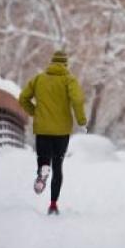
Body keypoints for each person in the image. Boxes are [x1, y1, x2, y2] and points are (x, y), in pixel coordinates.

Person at [18, 50, 87, 215]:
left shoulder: (39, 79)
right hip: (61, 131)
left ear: (52, 63)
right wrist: (81, 121)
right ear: (65, 64)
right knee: (58, 166)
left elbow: (23, 98)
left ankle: (43, 169)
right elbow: (77, 100)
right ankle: (53, 204)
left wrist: (35, 112)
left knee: (43, 159)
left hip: (43, 128)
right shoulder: (69, 80)